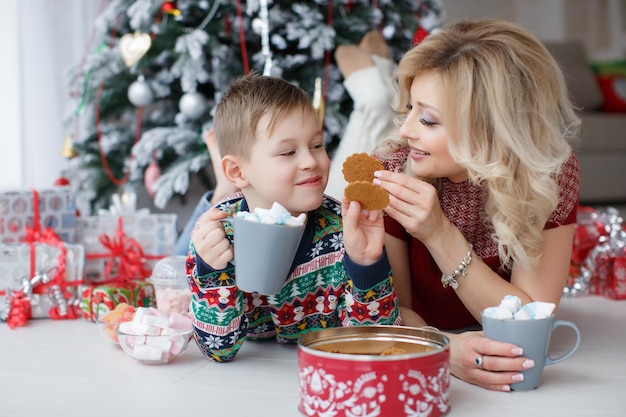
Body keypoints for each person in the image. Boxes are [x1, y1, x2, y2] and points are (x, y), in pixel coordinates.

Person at [370, 18, 581, 392]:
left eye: (429, 119)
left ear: (491, 128)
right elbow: (385, 313)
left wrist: (439, 233)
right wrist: (442, 349)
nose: (406, 130)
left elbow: (527, 327)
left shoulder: (548, 174)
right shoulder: (391, 167)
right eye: (410, 108)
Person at [187, 72, 400, 363]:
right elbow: (218, 350)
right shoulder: (218, 234)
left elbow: (374, 343)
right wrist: (210, 270)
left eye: (316, 145)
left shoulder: (344, 231)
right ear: (237, 172)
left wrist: (366, 265)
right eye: (288, 152)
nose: (311, 161)